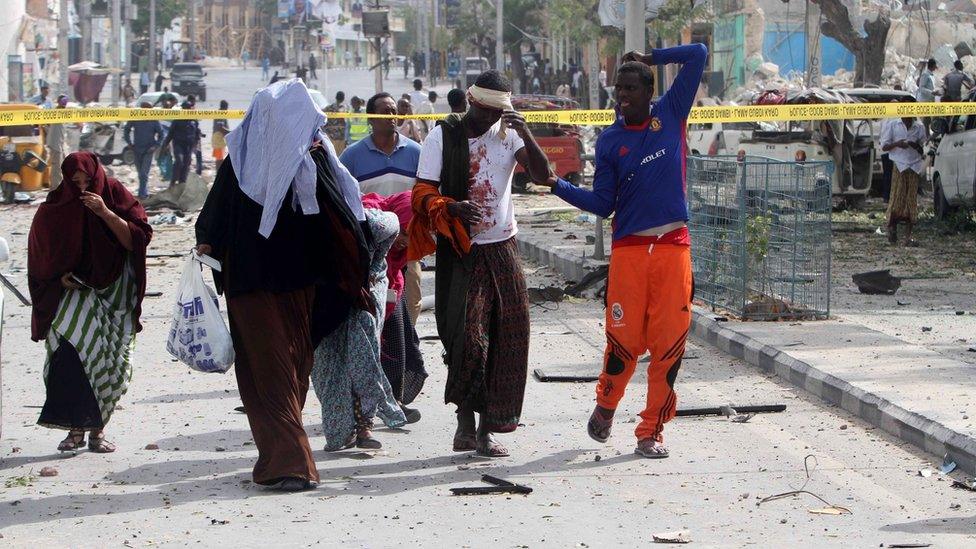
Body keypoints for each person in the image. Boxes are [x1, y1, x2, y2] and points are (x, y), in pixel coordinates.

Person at [196, 79, 371, 491]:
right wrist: (207, 240)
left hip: (300, 286)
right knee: (268, 372)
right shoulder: (238, 164)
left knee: (294, 372)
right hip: (250, 286)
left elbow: (344, 218)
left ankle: (278, 453)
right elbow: (212, 219)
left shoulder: (316, 161)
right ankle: (292, 464)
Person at [541, 44, 707, 459]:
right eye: (619, 89)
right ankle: (607, 405)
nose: (623, 96)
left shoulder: (670, 114)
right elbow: (603, 204)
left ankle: (651, 431)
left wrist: (653, 57)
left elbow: (699, 54)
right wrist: (556, 185)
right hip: (630, 254)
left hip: (673, 249)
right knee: (623, 343)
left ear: (650, 91)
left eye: (631, 88)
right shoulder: (611, 139)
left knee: (669, 346)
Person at [408, 70, 552, 457]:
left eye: (498, 112)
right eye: (487, 111)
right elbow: (421, 191)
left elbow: (544, 176)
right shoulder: (443, 137)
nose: (492, 119)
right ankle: (464, 423)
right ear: (473, 102)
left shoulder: (509, 136)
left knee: (508, 334)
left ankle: (489, 429)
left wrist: (526, 133)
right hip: (462, 248)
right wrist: (450, 206)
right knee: (468, 339)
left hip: (502, 246)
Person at [28, 152, 152, 454]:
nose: (82, 188)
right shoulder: (56, 205)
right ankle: (74, 429)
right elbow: (40, 255)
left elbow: (137, 239)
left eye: (87, 181)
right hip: (73, 294)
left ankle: (97, 430)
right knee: (68, 353)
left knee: (111, 363)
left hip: (115, 295)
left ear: (97, 176)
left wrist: (106, 213)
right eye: (76, 182)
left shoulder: (114, 193)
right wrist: (57, 281)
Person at [340, 93, 425, 325]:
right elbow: (344, 199)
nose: (391, 116)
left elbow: (425, 197)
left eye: (394, 111)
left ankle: (406, 345)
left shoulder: (416, 153)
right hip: (370, 247)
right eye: (385, 111)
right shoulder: (352, 157)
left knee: (411, 298)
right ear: (371, 118)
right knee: (377, 302)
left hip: (407, 244)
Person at [363, 192, 427, 418]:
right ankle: (360, 411)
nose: (406, 241)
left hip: (392, 287)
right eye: (405, 231)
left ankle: (394, 401)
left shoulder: (401, 249)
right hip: (361, 292)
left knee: (398, 343)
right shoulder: (369, 221)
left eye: (414, 235)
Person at [881, 114, 926, 246]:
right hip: (899, 165)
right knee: (896, 199)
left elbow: (922, 146)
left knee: (911, 201)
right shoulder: (893, 124)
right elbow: (884, 146)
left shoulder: (919, 127)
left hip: (914, 165)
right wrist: (897, 144)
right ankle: (892, 229)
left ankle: (908, 237)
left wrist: (914, 145)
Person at [123, 103, 165, 199]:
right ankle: (144, 192)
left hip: (148, 151)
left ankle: (142, 195)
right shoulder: (136, 118)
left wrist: (155, 146)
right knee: (140, 174)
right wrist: (129, 143)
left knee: (143, 174)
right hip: (137, 149)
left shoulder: (154, 120)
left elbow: (161, 134)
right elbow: (126, 129)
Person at [159, 101, 199, 186]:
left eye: (187, 108)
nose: (185, 110)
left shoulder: (194, 120)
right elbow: (170, 133)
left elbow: (197, 133)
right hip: (178, 145)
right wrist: (165, 145)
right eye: (184, 108)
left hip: (189, 146)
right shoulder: (177, 120)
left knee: (186, 164)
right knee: (179, 161)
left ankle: (182, 183)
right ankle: (173, 181)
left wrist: (196, 145)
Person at [46, 95, 69, 190]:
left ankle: (59, 187)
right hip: (56, 144)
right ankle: (56, 188)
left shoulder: (63, 112)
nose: (64, 103)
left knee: (61, 167)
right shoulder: (57, 111)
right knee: (57, 168)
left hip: (60, 144)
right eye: (63, 101)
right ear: (59, 101)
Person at [212, 100, 230, 171]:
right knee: (219, 159)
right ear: (225, 107)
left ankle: (220, 173)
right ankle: (218, 173)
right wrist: (230, 133)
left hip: (220, 139)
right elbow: (220, 128)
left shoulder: (222, 114)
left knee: (221, 158)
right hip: (218, 139)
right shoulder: (219, 114)